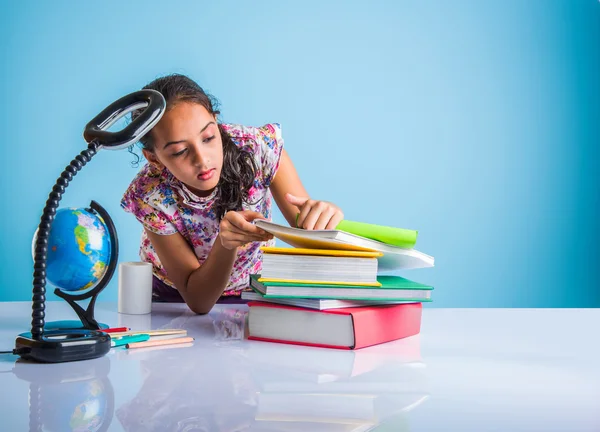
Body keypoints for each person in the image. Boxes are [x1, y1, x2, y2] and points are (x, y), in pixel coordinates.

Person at [121, 74, 343, 314]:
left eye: (208, 137)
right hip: (175, 299)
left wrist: (324, 218)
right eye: (180, 151)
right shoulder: (149, 194)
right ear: (154, 158)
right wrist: (225, 244)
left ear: (216, 122)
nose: (202, 159)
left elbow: (308, 238)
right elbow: (198, 300)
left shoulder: (257, 148)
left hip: (255, 289)